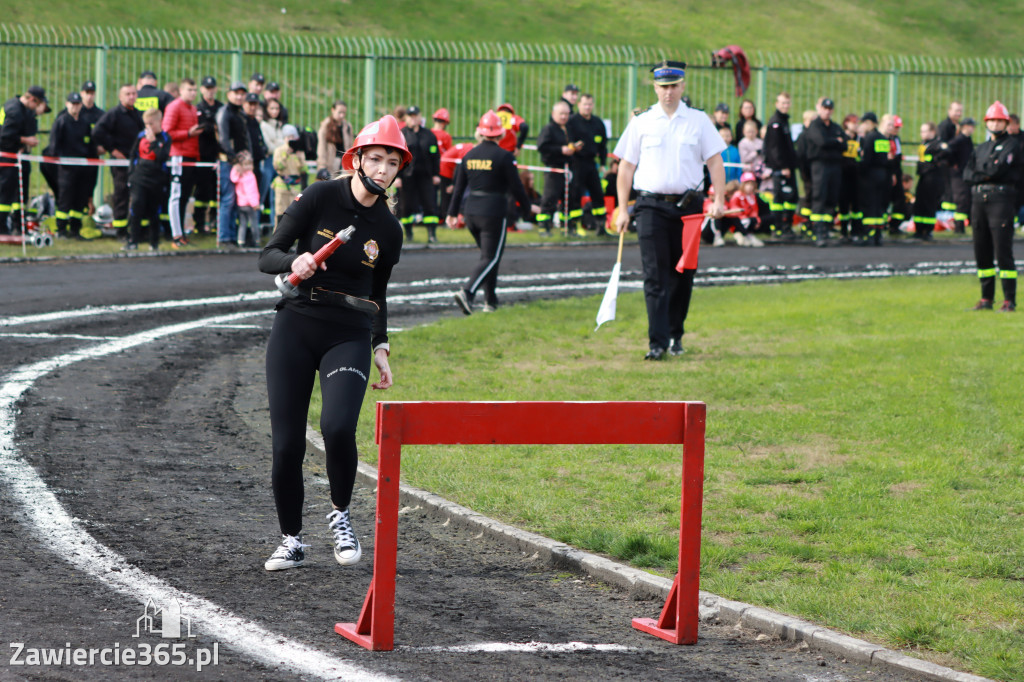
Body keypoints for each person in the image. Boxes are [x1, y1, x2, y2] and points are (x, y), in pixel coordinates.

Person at [257, 114, 408, 571]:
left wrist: (380, 345)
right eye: (376, 159)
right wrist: (296, 259)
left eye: (392, 163)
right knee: (286, 445)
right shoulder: (321, 195)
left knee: (338, 428)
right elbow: (268, 255)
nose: (383, 170)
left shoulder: (390, 229)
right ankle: (292, 539)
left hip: (349, 333)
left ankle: (341, 516)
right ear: (357, 159)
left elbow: (378, 293)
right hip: (297, 325)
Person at [613, 60, 726, 360]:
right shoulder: (642, 122)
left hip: (689, 207)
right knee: (655, 274)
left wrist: (719, 200)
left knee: (683, 274)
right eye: (663, 87)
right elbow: (626, 167)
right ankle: (657, 342)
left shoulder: (699, 121)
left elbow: (715, 161)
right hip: (649, 206)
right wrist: (623, 209)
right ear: (655, 87)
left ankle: (676, 334)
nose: (668, 93)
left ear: (683, 86)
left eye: (674, 86)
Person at [448, 110, 533, 315]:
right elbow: (517, 187)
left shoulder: (468, 156)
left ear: (481, 132)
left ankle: (490, 301)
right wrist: (528, 208)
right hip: (493, 212)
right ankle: (468, 293)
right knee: (491, 258)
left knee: (487, 256)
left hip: (471, 213)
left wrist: (451, 213)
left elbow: (458, 188)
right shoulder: (505, 157)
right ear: (501, 134)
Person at [963, 101, 1023, 312]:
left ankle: (1009, 299)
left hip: (1000, 200)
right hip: (979, 201)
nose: (996, 124)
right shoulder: (981, 147)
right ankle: (986, 298)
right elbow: (967, 174)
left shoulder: (1012, 146)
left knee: (1002, 250)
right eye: (992, 120)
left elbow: (997, 171)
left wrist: (982, 173)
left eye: (999, 120)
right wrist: (984, 172)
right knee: (982, 250)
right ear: (987, 122)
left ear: (1006, 122)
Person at [93, 84, 143, 239]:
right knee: (121, 194)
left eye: (134, 93)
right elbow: (97, 132)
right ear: (120, 97)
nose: (131, 97)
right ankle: (120, 230)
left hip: (135, 161)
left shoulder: (137, 114)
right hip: (120, 162)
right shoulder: (114, 114)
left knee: (137, 195)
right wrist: (112, 149)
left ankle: (136, 229)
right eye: (127, 94)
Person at [162, 77, 202, 248]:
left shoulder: (193, 108)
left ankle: (182, 233)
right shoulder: (174, 106)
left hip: (191, 156)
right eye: (189, 90)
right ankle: (176, 235)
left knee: (185, 196)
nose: (193, 93)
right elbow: (166, 132)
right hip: (178, 157)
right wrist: (187, 133)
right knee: (176, 196)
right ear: (181, 91)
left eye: (194, 90)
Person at [0, 85, 45, 235]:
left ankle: (16, 225)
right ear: (32, 99)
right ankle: (2, 226)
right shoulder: (15, 111)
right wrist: (26, 140)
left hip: (14, 156)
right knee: (5, 193)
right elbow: (5, 135)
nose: (36, 108)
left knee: (17, 193)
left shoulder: (14, 106)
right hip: (7, 157)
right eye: (37, 104)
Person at [804, 97, 847, 247]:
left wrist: (834, 142)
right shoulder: (815, 126)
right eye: (824, 108)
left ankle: (827, 228)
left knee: (831, 196)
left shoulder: (835, 127)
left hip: (835, 165)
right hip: (820, 165)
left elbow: (845, 144)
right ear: (819, 108)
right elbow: (821, 142)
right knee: (819, 196)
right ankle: (818, 230)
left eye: (829, 109)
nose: (827, 111)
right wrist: (836, 141)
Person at [50, 92, 93, 239]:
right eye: (72, 104)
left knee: (79, 199)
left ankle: (75, 229)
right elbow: (54, 145)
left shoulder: (84, 122)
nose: (75, 107)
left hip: (81, 167)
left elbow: (88, 143)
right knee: (65, 199)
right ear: (67, 104)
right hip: (66, 168)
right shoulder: (61, 121)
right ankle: (61, 229)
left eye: (78, 104)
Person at [126, 108, 170, 251]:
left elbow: (162, 156)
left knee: (154, 211)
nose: (148, 128)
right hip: (139, 177)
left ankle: (154, 242)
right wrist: (131, 174)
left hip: (156, 179)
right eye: (146, 124)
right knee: (137, 206)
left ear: (159, 122)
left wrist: (154, 142)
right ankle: (132, 241)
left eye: (151, 124)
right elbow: (133, 155)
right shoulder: (140, 136)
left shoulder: (165, 138)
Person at [215, 81, 251, 247]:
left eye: (242, 93)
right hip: (227, 162)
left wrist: (246, 158)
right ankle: (224, 237)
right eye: (236, 93)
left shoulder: (240, 113)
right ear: (229, 94)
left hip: (240, 163)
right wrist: (235, 160)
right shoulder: (224, 112)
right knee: (228, 199)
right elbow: (223, 139)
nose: (239, 96)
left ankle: (232, 235)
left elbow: (244, 138)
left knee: (237, 199)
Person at [398, 105, 442, 242]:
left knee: (430, 203)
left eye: (415, 116)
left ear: (419, 117)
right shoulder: (401, 134)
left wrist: (436, 174)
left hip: (425, 176)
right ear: (406, 118)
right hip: (407, 176)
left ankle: (432, 234)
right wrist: (397, 176)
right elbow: (397, 157)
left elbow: (435, 155)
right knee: (406, 205)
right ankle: (409, 233)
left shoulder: (429, 135)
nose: (413, 119)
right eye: (410, 116)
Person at [568, 93, 609, 235]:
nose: (587, 107)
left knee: (597, 193)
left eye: (590, 104)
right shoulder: (572, 121)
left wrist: (603, 163)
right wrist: (573, 146)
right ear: (579, 105)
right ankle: (575, 225)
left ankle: (601, 225)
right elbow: (567, 140)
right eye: (585, 104)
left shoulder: (598, 123)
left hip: (592, 163)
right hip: (576, 162)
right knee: (575, 194)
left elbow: (603, 145)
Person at [535, 100, 575, 236]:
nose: (564, 117)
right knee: (549, 198)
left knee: (568, 198)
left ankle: (567, 228)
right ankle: (544, 227)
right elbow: (542, 146)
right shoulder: (549, 129)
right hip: (553, 168)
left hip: (567, 168)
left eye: (566, 114)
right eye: (561, 114)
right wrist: (560, 150)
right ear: (553, 114)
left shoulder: (567, 128)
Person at [763, 92, 799, 239]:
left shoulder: (784, 121)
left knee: (791, 197)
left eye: (787, 103)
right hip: (781, 169)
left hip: (787, 167)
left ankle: (787, 226)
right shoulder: (776, 122)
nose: (785, 106)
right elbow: (774, 148)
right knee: (779, 198)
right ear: (777, 104)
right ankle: (778, 228)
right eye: (783, 103)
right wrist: (782, 166)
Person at [193, 76, 222, 235]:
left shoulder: (220, 107)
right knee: (202, 191)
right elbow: (203, 128)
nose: (210, 91)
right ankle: (199, 223)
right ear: (202, 89)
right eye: (207, 88)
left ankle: (214, 222)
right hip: (203, 154)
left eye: (212, 88)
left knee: (217, 191)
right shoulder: (199, 108)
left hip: (218, 154)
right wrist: (214, 127)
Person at [913, 122, 950, 241]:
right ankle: (919, 229)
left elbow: (946, 153)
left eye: (925, 131)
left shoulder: (937, 145)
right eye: (921, 131)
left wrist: (936, 160)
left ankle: (927, 231)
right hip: (923, 176)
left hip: (933, 178)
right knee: (919, 203)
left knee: (929, 204)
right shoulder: (924, 144)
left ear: (932, 132)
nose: (922, 134)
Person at [857, 112, 890, 246]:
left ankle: (869, 234)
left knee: (869, 204)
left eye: (863, 123)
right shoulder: (883, 138)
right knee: (879, 204)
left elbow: (867, 159)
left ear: (869, 123)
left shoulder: (869, 138)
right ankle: (878, 234)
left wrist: (859, 167)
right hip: (882, 173)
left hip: (871, 174)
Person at [271, 124, 307, 227]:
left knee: (294, 213)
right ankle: (277, 236)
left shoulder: (299, 151)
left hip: (295, 186)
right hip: (282, 185)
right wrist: (285, 155)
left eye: (292, 137)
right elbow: (277, 166)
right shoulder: (279, 150)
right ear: (284, 138)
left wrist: (300, 158)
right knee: (280, 213)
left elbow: (304, 170)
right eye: (288, 137)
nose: (290, 139)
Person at [260, 98, 287, 224]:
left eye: (277, 108)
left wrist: (277, 143)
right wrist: (281, 144)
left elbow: (284, 145)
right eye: (272, 108)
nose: (275, 111)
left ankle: (274, 225)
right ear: (266, 110)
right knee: (263, 192)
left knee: (276, 196)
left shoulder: (281, 125)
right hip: (268, 162)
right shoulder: (264, 125)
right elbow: (269, 147)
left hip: (280, 162)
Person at [948, 116, 976, 234]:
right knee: (961, 200)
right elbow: (948, 150)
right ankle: (959, 228)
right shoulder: (959, 139)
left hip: (966, 174)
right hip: (958, 175)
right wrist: (953, 163)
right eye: (971, 126)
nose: (973, 129)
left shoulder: (967, 139)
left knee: (965, 200)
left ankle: (964, 225)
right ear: (965, 127)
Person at [837, 113, 862, 243]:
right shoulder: (842, 137)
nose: (856, 125)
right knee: (843, 205)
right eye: (854, 123)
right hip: (843, 175)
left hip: (856, 175)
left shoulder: (860, 139)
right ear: (847, 123)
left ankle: (855, 231)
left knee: (856, 205)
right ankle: (843, 231)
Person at [316, 100, 355, 176]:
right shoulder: (326, 125)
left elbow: (350, 145)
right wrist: (322, 165)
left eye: (344, 113)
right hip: (331, 162)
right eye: (339, 112)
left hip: (345, 162)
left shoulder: (347, 126)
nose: (342, 115)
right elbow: (321, 146)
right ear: (333, 110)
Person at [231, 150, 261, 248]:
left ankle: (241, 241)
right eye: (246, 164)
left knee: (242, 224)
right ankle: (256, 240)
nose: (248, 167)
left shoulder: (239, 176)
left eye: (249, 164)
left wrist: (236, 169)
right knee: (253, 223)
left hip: (240, 204)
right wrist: (255, 204)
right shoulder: (250, 176)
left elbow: (233, 178)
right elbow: (250, 192)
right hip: (249, 204)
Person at [728, 172, 765, 247]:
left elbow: (754, 210)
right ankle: (743, 234)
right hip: (739, 221)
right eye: (747, 184)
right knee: (746, 221)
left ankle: (746, 235)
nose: (750, 187)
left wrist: (756, 220)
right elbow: (734, 210)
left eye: (752, 184)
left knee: (754, 220)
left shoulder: (752, 196)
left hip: (748, 220)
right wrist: (744, 217)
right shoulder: (737, 195)